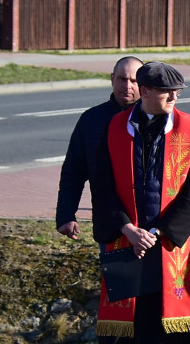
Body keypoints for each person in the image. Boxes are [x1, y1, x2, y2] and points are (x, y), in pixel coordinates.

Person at [92, 61, 190, 344]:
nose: (174, 97)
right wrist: (127, 228)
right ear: (145, 92)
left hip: (168, 244)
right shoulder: (114, 127)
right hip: (126, 240)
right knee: (131, 326)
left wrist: (160, 232)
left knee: (164, 326)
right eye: (166, 92)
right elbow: (102, 185)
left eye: (177, 92)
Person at [56, 56, 142, 240]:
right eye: (122, 79)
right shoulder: (92, 119)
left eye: (134, 81)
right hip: (108, 222)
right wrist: (65, 215)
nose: (127, 86)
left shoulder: (156, 120)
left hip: (149, 223)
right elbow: (73, 172)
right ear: (112, 79)